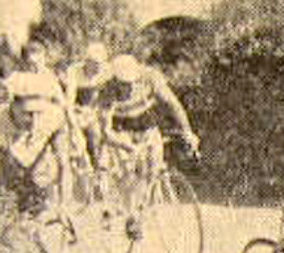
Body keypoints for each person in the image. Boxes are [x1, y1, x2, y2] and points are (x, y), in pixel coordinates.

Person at [101, 54, 200, 236]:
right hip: (120, 131)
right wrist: (126, 146)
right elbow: (105, 131)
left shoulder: (151, 78)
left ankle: (141, 210)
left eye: (132, 81)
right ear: (115, 80)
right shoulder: (107, 91)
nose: (130, 87)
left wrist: (187, 131)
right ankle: (129, 214)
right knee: (128, 173)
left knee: (152, 169)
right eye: (124, 83)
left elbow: (173, 105)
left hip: (147, 127)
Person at [0, 69, 70, 220]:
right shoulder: (2, 121)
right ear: (13, 106)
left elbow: (64, 165)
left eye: (38, 113)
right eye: (27, 113)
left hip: (39, 178)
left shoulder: (54, 117)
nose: (33, 120)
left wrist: (63, 206)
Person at [63, 42, 112, 179]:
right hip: (77, 110)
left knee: (98, 136)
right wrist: (74, 126)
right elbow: (69, 102)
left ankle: (100, 171)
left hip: (96, 111)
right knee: (76, 141)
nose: (98, 68)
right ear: (86, 62)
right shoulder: (74, 71)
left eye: (100, 64)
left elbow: (109, 103)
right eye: (94, 64)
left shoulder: (107, 72)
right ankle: (79, 171)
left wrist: (104, 122)